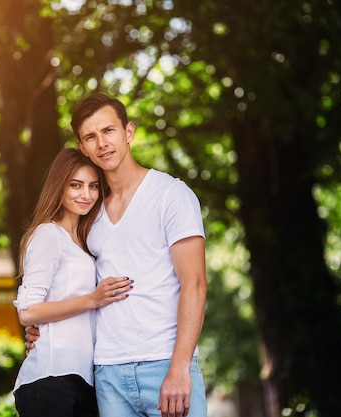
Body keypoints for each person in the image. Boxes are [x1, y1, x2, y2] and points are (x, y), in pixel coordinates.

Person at [26, 93, 208, 417]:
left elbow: (194, 284)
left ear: (128, 132)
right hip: (107, 375)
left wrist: (180, 367)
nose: (102, 143)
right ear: (82, 147)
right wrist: (42, 327)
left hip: (164, 364)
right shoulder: (89, 216)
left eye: (109, 131)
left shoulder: (171, 195)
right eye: (90, 137)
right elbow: (75, 285)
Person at [12, 147, 134, 417]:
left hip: (83, 379)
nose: (86, 194)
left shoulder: (85, 242)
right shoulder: (48, 235)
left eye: (93, 186)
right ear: (59, 186)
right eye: (75, 185)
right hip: (51, 378)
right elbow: (28, 312)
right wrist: (93, 298)